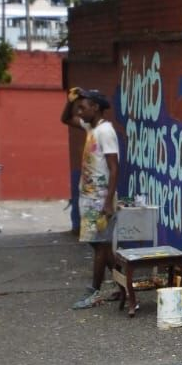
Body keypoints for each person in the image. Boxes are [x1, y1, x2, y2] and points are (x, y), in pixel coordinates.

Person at [69, 90, 121, 310]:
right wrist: (70, 101)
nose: (80, 112)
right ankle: (123, 282)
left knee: (100, 245)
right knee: (98, 243)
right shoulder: (92, 128)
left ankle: (94, 292)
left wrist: (108, 202)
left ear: (96, 108)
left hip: (100, 198)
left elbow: (114, 167)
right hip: (89, 196)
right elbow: (65, 119)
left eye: (84, 107)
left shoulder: (106, 132)